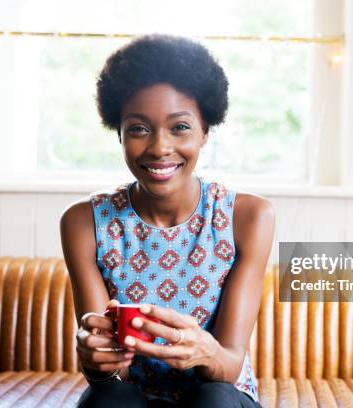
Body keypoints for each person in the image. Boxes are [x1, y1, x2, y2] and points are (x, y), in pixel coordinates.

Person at [60, 34, 275, 407]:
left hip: (216, 394)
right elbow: (113, 376)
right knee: (106, 401)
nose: (159, 148)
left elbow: (228, 365)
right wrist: (96, 360)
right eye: (139, 129)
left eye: (180, 127)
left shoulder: (248, 217)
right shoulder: (84, 223)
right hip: (131, 397)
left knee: (215, 400)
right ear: (119, 134)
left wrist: (204, 351)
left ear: (206, 131)